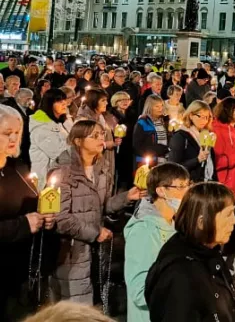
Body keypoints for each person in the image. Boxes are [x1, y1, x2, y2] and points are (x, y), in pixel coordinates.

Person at [50, 120, 142, 303]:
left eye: (102, 134)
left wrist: (126, 198)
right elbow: (59, 218)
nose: (102, 139)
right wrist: (95, 232)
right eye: (94, 136)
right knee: (74, 308)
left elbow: (103, 205)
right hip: (71, 252)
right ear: (78, 141)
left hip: (95, 251)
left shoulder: (102, 168)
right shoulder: (62, 171)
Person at [145, 182, 235, 322]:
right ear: (201, 222)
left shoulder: (210, 253)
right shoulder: (179, 276)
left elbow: (230, 309)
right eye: (228, 214)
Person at [0, 105, 55, 320]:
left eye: (17, 132)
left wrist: (45, 217)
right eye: (6, 133)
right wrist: (24, 224)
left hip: (20, 272)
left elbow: (33, 204)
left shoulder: (18, 167)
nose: (14, 138)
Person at [124, 163, 191, 322]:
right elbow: (140, 291)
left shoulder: (173, 223)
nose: (187, 192)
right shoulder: (144, 231)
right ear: (161, 191)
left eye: (188, 185)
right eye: (180, 186)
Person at [76, 89, 121, 193]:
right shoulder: (84, 120)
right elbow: (84, 143)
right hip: (93, 164)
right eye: (103, 100)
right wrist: (105, 144)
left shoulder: (103, 116)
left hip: (106, 161)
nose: (106, 103)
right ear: (94, 101)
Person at [29, 89, 70, 189]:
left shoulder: (58, 123)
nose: (64, 104)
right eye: (60, 102)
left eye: (65, 101)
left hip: (57, 176)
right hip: (46, 179)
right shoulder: (41, 127)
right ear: (50, 103)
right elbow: (58, 153)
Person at [168, 100, 213, 183]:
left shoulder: (205, 135)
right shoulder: (180, 136)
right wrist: (197, 159)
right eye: (200, 116)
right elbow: (173, 166)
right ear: (191, 115)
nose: (204, 120)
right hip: (187, 183)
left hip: (204, 181)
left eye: (206, 117)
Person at [133, 94, 169, 168]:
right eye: (157, 106)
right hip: (149, 162)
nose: (160, 108)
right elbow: (137, 146)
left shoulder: (164, 121)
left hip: (164, 161)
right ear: (150, 107)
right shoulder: (143, 122)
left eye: (162, 105)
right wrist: (155, 152)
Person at [110, 91, 135, 190]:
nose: (125, 102)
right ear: (116, 101)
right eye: (122, 100)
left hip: (129, 146)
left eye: (127, 100)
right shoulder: (111, 114)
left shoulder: (132, 113)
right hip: (117, 147)